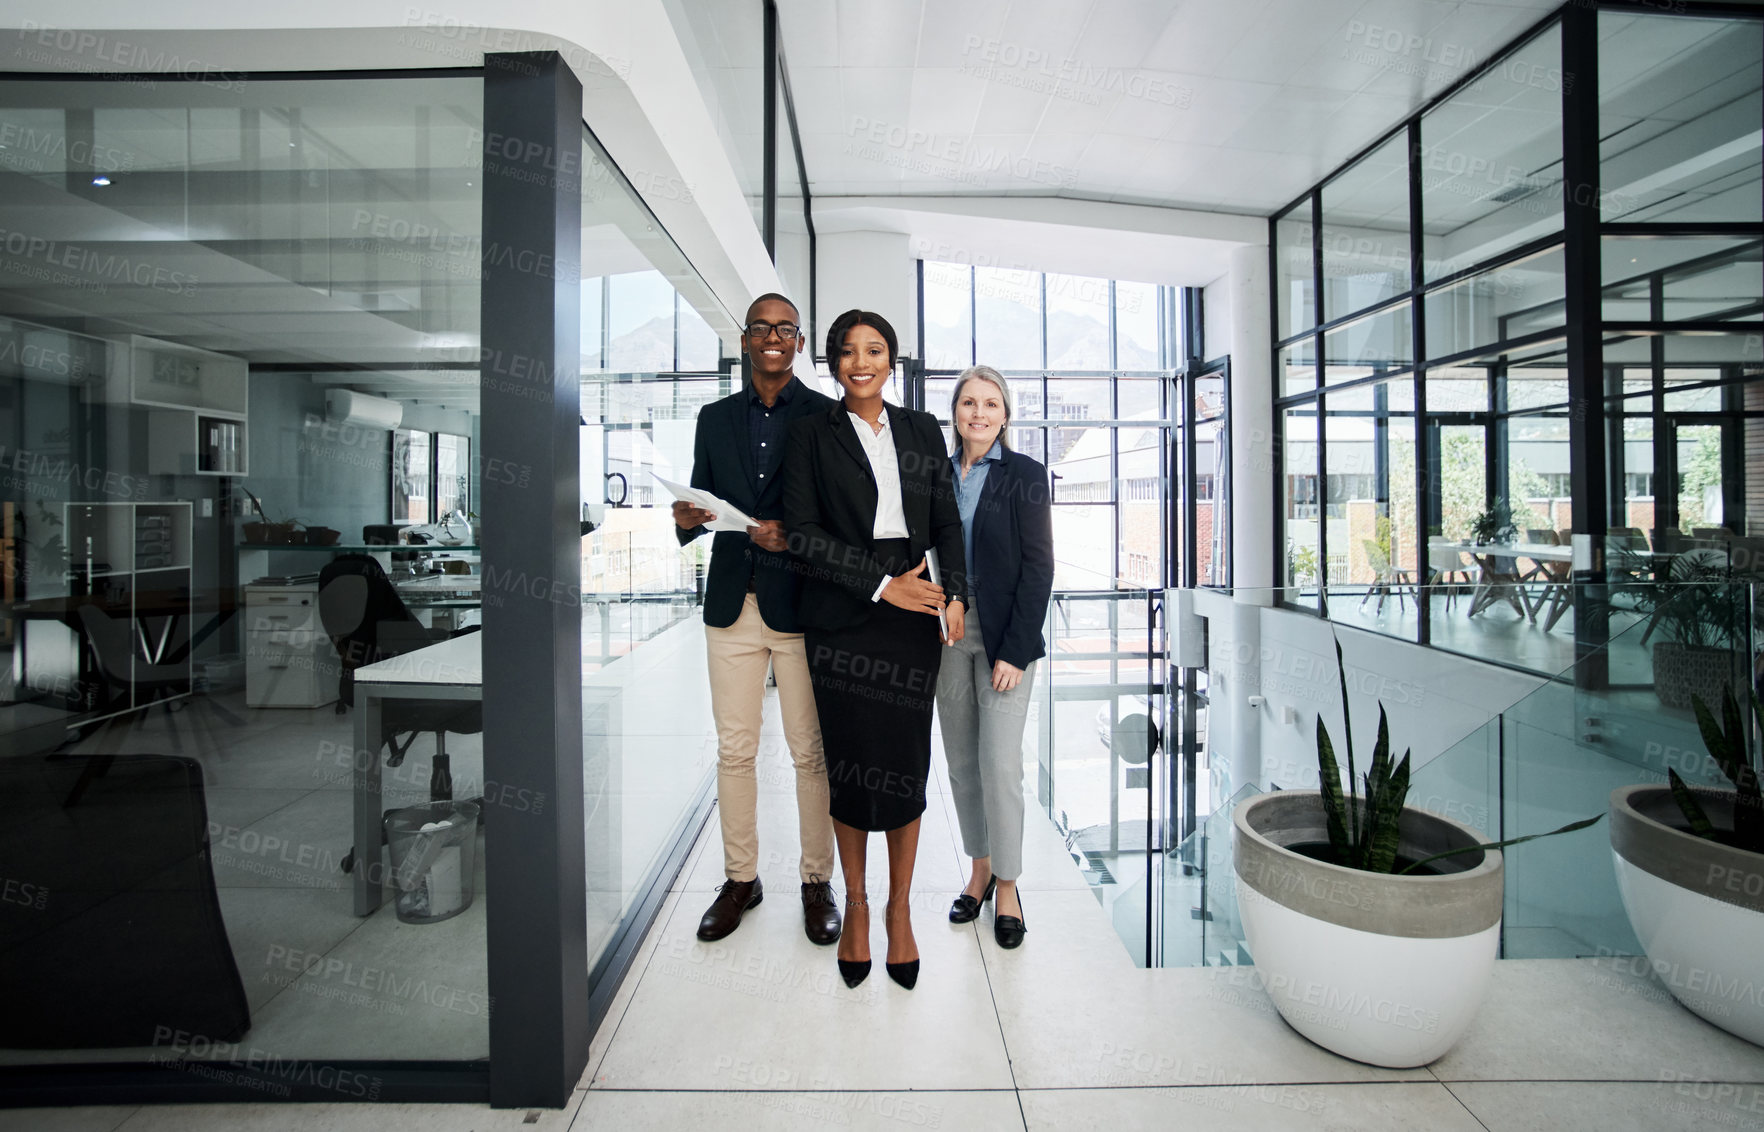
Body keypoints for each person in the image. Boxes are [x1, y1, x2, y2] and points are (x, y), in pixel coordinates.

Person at [781, 309, 967, 990]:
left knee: (905, 762)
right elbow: (801, 534)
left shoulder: (920, 428)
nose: (863, 362)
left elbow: (947, 518)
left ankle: (899, 908)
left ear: (893, 359)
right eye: (849, 352)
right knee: (853, 765)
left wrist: (958, 595)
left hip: (913, 608)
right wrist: (880, 585)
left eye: (876, 349)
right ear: (831, 362)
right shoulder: (811, 434)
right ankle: (856, 904)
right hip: (845, 608)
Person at [674, 292, 841, 946]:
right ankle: (740, 878)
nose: (773, 338)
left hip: (800, 605)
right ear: (745, 341)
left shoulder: (826, 418)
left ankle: (815, 882)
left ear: (799, 344)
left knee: (809, 753)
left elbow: (837, 518)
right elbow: (698, 500)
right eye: (761, 328)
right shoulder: (713, 419)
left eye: (786, 329)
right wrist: (684, 517)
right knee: (736, 750)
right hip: (729, 604)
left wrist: (793, 538)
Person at [935, 366, 1053, 950]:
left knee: (1000, 764)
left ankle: (1008, 884)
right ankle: (979, 869)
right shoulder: (937, 472)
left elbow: (1039, 569)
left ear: (1005, 414)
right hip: (948, 630)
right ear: (954, 411)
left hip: (1005, 633)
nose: (978, 413)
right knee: (959, 762)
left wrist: (1013, 652)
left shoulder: (1026, 475)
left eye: (990, 403)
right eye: (967, 402)